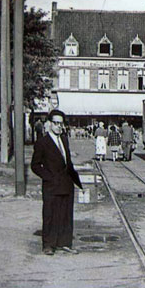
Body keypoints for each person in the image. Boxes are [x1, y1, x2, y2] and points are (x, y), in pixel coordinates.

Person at [30, 109, 82, 256]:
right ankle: (48, 245)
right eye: (56, 123)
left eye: (61, 124)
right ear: (50, 124)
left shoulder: (64, 140)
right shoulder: (43, 142)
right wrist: (49, 177)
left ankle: (65, 243)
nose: (59, 126)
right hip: (51, 186)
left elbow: (68, 162)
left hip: (66, 184)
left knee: (66, 214)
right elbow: (35, 165)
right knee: (50, 215)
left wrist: (76, 180)